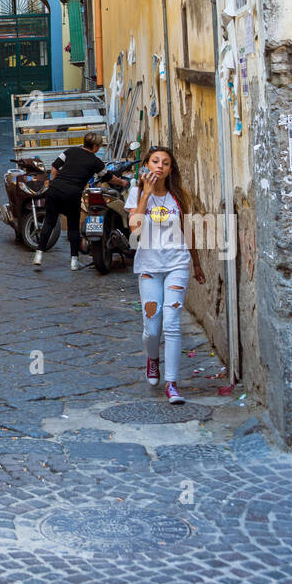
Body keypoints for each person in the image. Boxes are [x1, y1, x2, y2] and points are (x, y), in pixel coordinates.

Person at [124, 146, 206, 405]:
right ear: (147, 165)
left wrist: (197, 263)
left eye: (166, 163)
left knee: (171, 323)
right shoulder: (136, 193)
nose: (160, 166)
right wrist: (146, 195)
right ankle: (153, 359)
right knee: (152, 327)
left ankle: (172, 384)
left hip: (176, 264)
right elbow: (135, 230)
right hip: (149, 266)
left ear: (171, 169)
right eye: (155, 161)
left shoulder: (179, 196)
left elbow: (188, 232)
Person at [34, 132, 126, 271]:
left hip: (55, 190)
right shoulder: (96, 162)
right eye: (99, 147)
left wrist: (53, 182)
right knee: (72, 227)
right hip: (73, 194)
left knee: (49, 222)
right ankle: (74, 261)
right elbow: (108, 177)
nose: (99, 149)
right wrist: (122, 182)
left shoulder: (70, 151)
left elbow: (54, 167)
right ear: (95, 146)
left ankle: (39, 255)